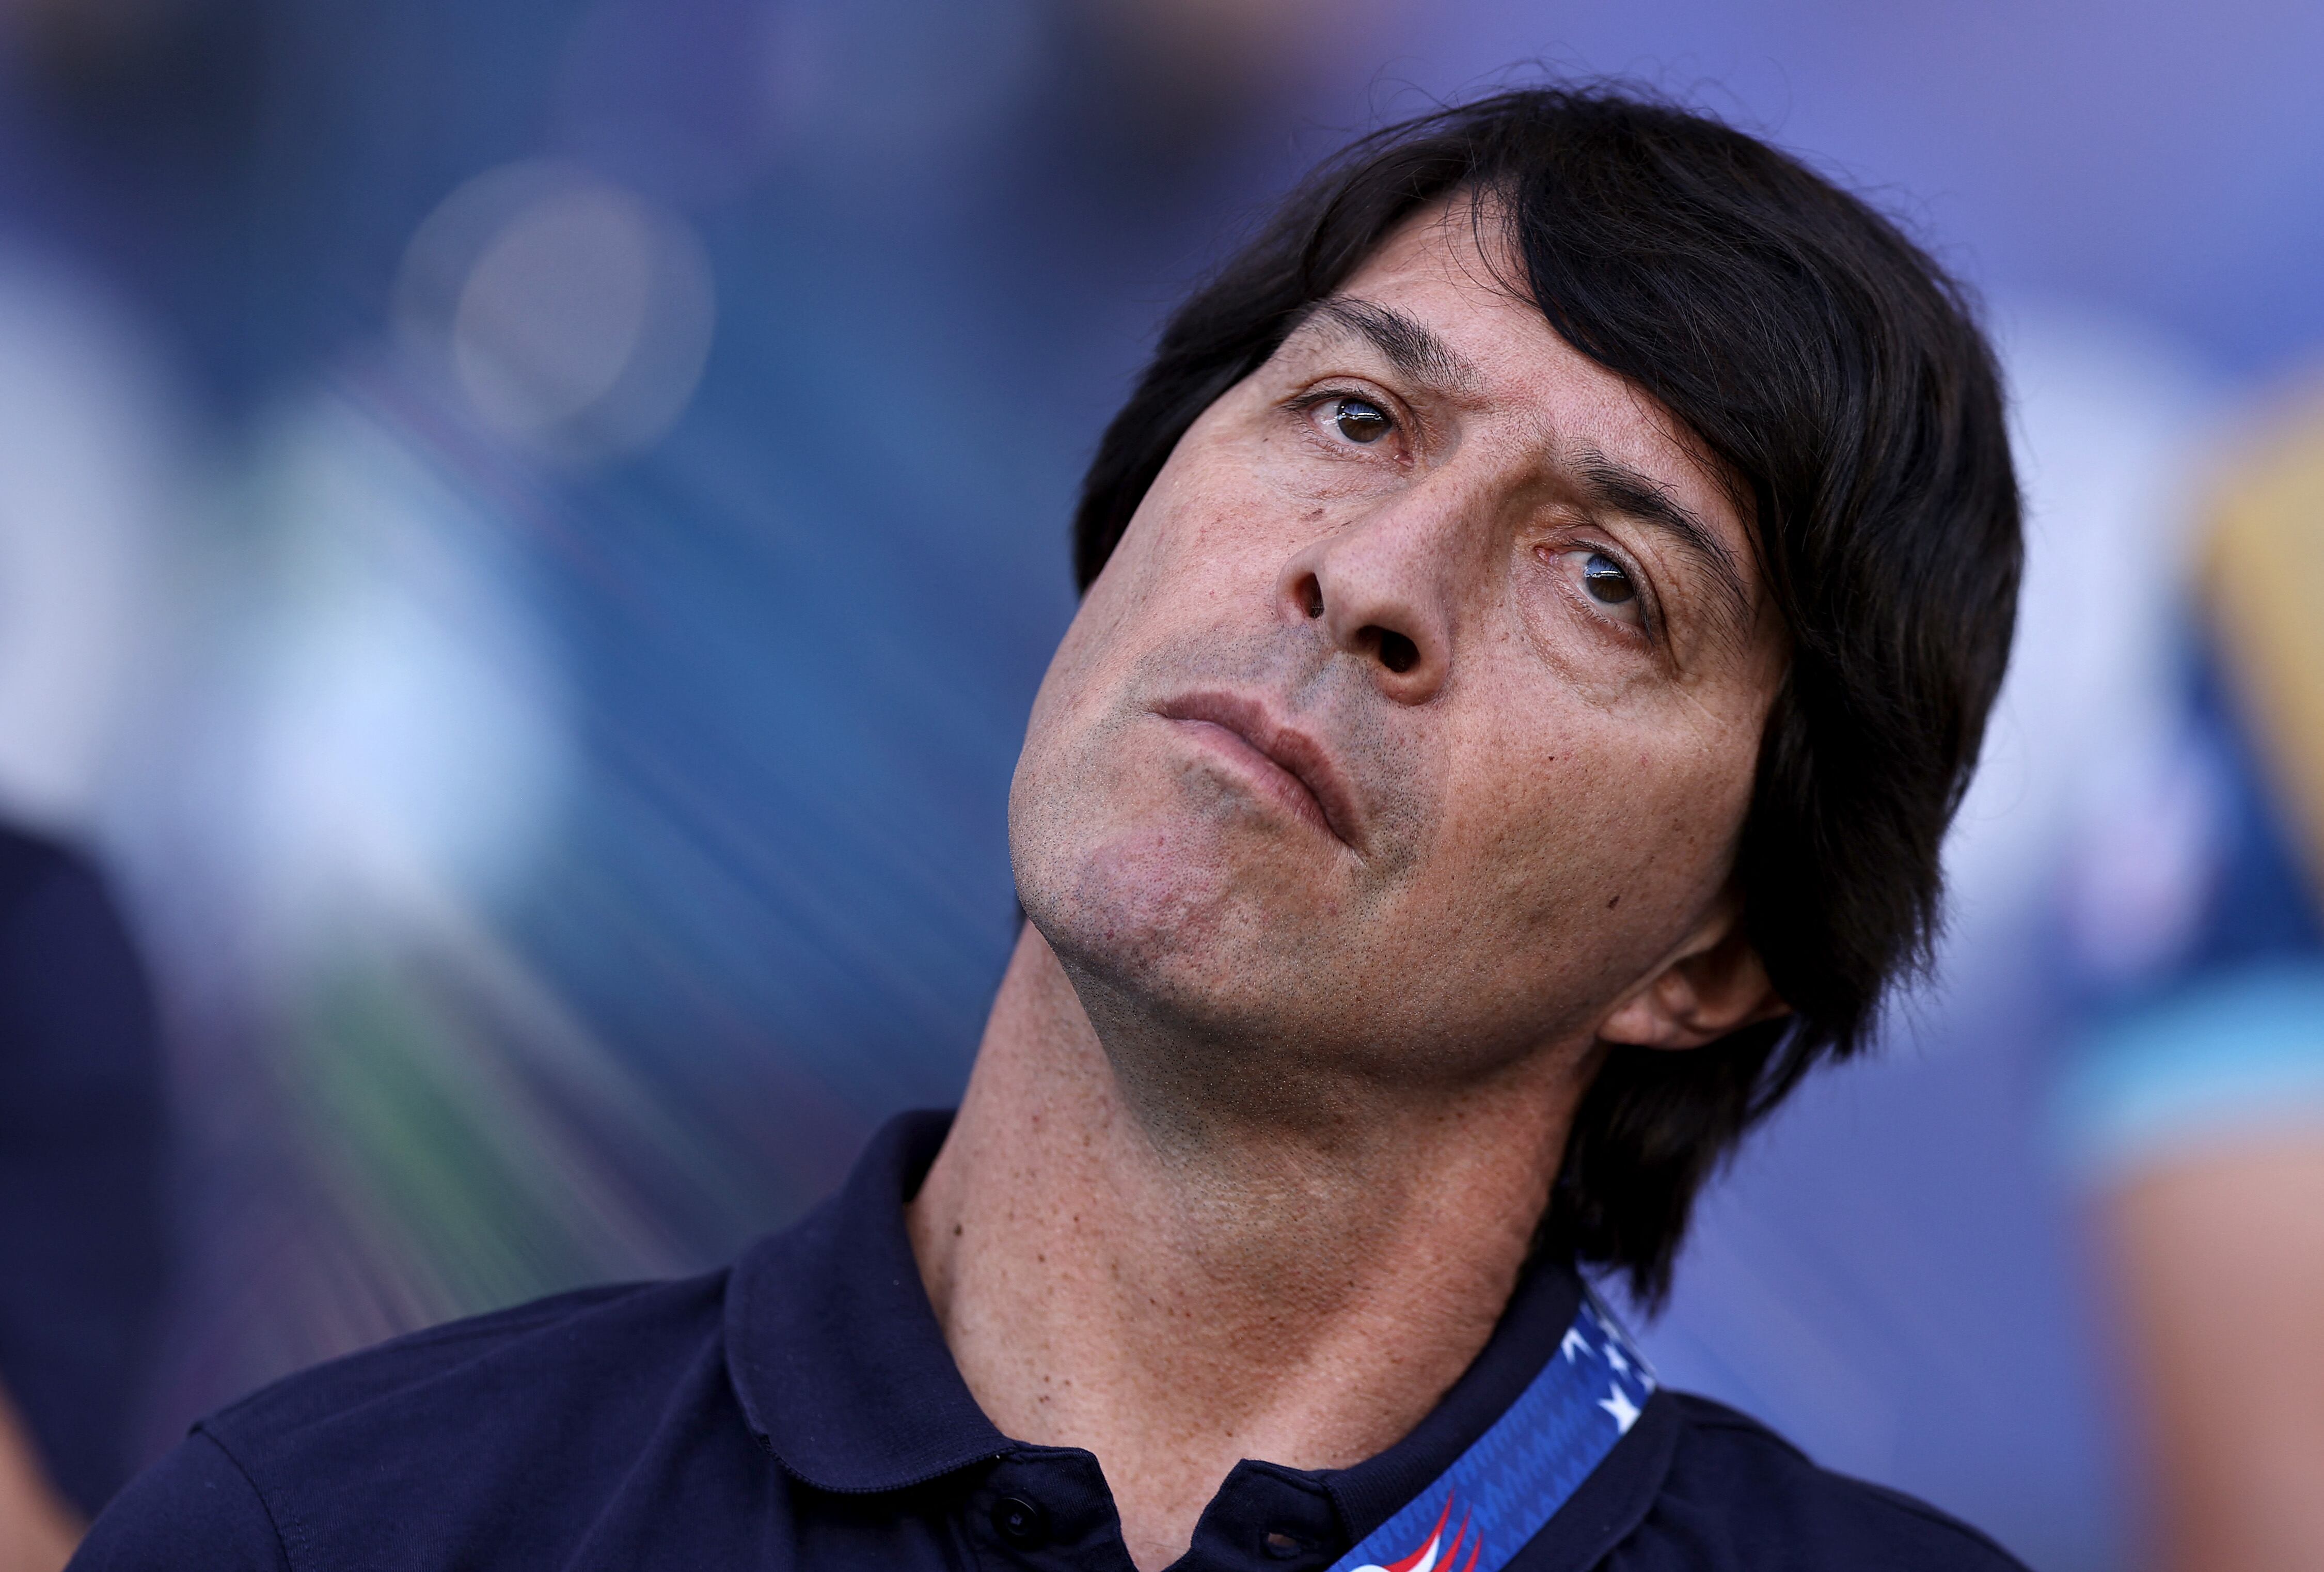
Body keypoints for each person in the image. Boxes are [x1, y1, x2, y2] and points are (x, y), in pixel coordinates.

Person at [73, 85, 2027, 1570]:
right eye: (1354, 415)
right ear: (1125, 533)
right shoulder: (341, 1529)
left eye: (1605, 578)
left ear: (1717, 951)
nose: (1373, 580)